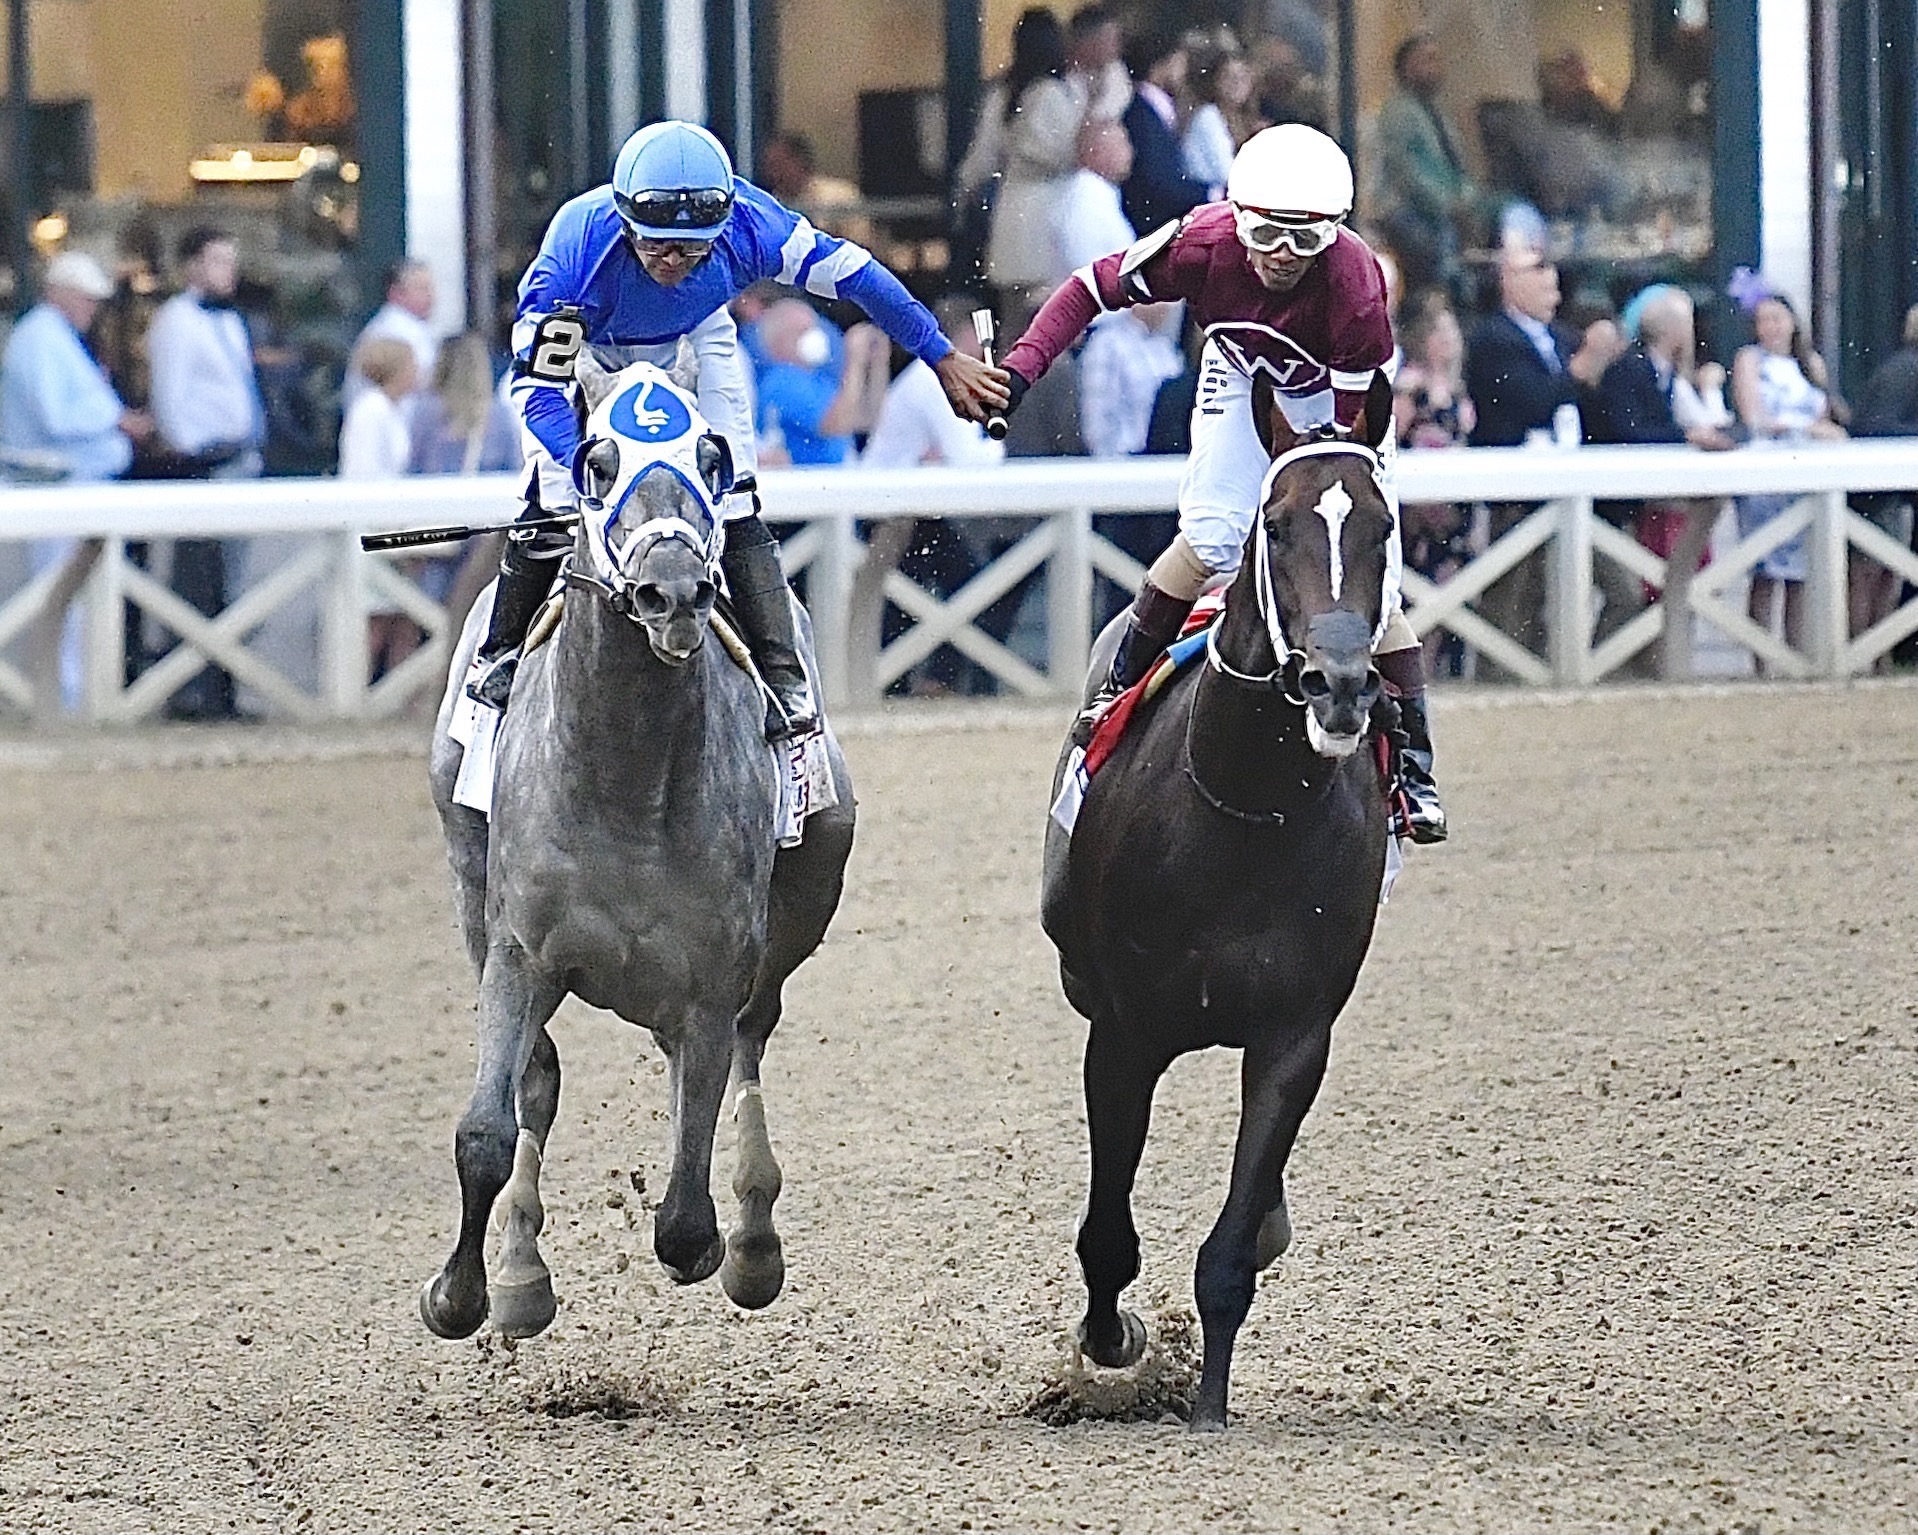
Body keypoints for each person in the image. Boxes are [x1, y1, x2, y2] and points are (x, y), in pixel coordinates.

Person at [470, 119, 1005, 737]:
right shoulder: (575, 253)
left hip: (697, 335)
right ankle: (500, 652)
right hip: (589, 348)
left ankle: (784, 674)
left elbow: (857, 273)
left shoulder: (754, 223)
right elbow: (537, 390)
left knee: (735, 495)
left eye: (691, 249)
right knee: (557, 494)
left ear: (723, 228)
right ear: (622, 221)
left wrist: (938, 354)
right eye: (656, 246)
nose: (672, 261)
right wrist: (582, 464)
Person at [998, 124, 1446, 843]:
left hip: (1336, 395)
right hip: (1240, 371)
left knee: (1366, 574)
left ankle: (1413, 770)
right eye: (1267, 234)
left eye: (1306, 241)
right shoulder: (1200, 243)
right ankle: (1114, 700)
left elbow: (1334, 445)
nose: (1281, 257)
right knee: (1210, 536)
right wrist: (1023, 366)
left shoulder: (1356, 288)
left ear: (1334, 237)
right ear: (1236, 218)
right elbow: (1088, 288)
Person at [0, 250, 153, 708]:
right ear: (60, 294)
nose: (93, 308)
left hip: (79, 487)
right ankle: (61, 699)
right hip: (57, 490)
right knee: (60, 598)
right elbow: (56, 414)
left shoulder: (56, 337)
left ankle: (76, 696)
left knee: (80, 602)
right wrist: (117, 418)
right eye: (86, 299)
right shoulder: (40, 339)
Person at [1464, 244, 1614, 668]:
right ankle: (1502, 683)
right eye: (1539, 278)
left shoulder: (1562, 337)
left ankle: (1588, 670)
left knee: (1617, 591)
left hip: (1572, 489)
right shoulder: (1492, 338)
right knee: (1512, 604)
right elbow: (1529, 402)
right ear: (1510, 283)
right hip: (1516, 493)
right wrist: (1583, 368)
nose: (1552, 288)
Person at [146, 226, 266, 719]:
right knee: (199, 581)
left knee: (232, 582)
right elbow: (170, 399)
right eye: (217, 260)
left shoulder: (231, 322)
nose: (228, 270)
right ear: (192, 266)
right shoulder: (176, 321)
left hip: (241, 459)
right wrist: (191, 452)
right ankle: (194, 693)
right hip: (205, 465)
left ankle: (224, 690)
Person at [1589, 285, 1734, 676]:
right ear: (1674, 330)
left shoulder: (1663, 371)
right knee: (1630, 593)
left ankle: (1619, 669)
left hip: (1639, 507)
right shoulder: (1630, 368)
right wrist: (1686, 438)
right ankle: (1600, 669)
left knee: (1647, 591)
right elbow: (1628, 430)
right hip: (1606, 506)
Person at [1730, 290, 1847, 661]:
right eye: (1763, 320)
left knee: (1801, 574)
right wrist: (1801, 426)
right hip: (1767, 476)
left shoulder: (1810, 363)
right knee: (1765, 572)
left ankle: (1797, 655)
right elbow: (1753, 417)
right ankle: (1761, 659)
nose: (1771, 328)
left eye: (1777, 319)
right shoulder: (1750, 360)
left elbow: (1827, 413)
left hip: (1805, 476)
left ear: (1793, 322)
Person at [1055, 121, 1182, 458]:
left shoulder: (1101, 198)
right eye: (1122, 143)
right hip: (1106, 339)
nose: (1131, 152)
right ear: (1096, 150)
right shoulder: (1086, 202)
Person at [981, 10, 1086, 317]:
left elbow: (983, 156)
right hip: (1047, 215)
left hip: (1011, 211)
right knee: (1045, 321)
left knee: (1012, 322)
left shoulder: (1004, 92)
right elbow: (1065, 155)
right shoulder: (1054, 94)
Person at [1391, 289, 1473, 676]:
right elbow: (1391, 436)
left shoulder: (1456, 389)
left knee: (1449, 583)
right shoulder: (1410, 385)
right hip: (1416, 511)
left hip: (1453, 506)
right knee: (1417, 590)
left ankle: (1437, 666)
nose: (1451, 341)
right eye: (1443, 333)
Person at [1372, 34, 1476, 295]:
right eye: (1427, 60)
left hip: (1448, 211)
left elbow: (1456, 166)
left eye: (1437, 60)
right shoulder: (1398, 112)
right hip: (1408, 211)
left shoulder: (1438, 113)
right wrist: (1446, 205)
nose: (1436, 68)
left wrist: (1465, 199)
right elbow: (1406, 173)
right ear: (1407, 67)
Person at [1847, 303, 1918, 643]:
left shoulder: (1903, 367)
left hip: (1888, 488)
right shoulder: (1905, 370)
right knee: (1870, 570)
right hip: (1874, 490)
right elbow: (1873, 426)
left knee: (1888, 568)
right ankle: (1866, 648)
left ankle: (1877, 651)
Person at [752, 299, 892, 467]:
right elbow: (835, 425)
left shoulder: (818, 378)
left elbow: (864, 421)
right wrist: (853, 360)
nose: (814, 336)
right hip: (808, 483)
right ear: (779, 340)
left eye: (814, 328)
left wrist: (878, 364)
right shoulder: (781, 380)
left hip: (836, 477)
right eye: (803, 331)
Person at [1118, 33, 1211, 236]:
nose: (1183, 71)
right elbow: (1157, 179)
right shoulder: (1141, 114)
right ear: (1161, 65)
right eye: (1179, 62)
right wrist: (1210, 193)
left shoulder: (1154, 109)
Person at [346, 259, 439, 408]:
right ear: (395, 293)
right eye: (421, 289)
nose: (431, 297)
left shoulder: (410, 326)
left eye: (430, 289)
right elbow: (426, 381)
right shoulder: (394, 328)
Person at [1180, 29, 1251, 194]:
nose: (1236, 84)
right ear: (1215, 81)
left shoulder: (1243, 120)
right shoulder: (1208, 117)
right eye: (1229, 77)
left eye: (1242, 77)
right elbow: (1227, 174)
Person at [1066, 3, 1132, 125]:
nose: (1118, 47)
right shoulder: (1060, 79)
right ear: (1089, 41)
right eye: (1112, 39)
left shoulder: (1117, 74)